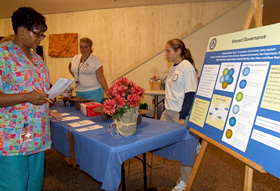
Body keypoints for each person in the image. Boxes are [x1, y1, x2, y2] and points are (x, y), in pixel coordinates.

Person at [0, 7, 62, 191]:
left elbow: (39, 91)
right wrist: (27, 97)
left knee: (33, 185)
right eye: (38, 33)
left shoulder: (36, 58)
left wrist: (57, 93)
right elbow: (28, 94)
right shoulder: (3, 55)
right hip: (12, 136)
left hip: (36, 134)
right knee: (15, 186)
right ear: (21, 30)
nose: (41, 38)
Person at [160, 39, 198, 191]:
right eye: (166, 51)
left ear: (178, 51)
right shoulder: (172, 68)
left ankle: (185, 181)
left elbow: (189, 94)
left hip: (180, 113)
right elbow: (173, 90)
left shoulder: (186, 67)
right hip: (168, 111)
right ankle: (196, 143)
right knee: (159, 140)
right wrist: (165, 102)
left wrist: (182, 117)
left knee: (185, 150)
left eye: (168, 51)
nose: (166, 54)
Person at [69, 37, 109, 103]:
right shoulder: (75, 59)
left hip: (94, 92)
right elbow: (71, 68)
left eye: (86, 47)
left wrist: (108, 91)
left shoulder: (95, 60)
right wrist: (77, 77)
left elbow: (101, 77)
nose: (83, 49)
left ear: (90, 48)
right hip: (79, 93)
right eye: (81, 47)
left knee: (93, 112)